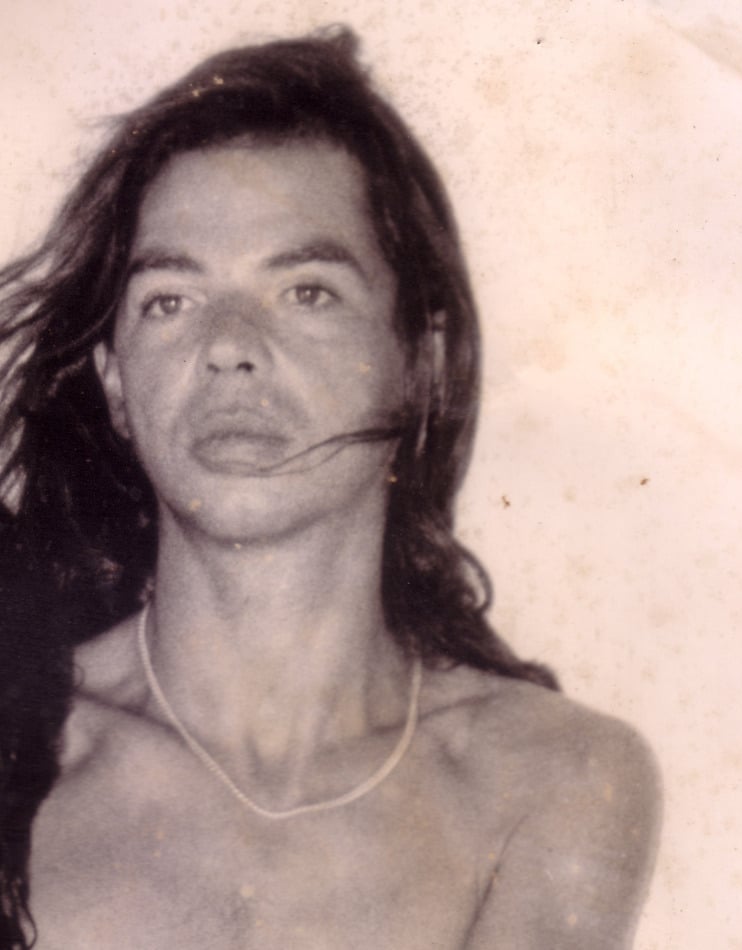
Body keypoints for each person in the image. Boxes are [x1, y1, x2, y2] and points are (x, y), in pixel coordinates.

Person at [0, 27, 660, 949]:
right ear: (115, 383)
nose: (228, 346)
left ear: (418, 362)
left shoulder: (552, 780)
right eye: (170, 300)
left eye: (306, 291)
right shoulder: (19, 745)